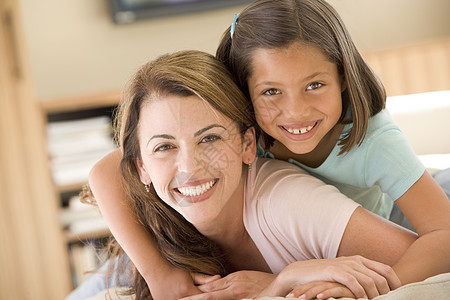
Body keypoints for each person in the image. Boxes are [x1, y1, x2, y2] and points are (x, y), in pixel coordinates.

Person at [70, 0, 450, 299]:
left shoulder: (373, 144)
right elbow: (106, 172)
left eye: (315, 85)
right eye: (271, 91)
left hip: (383, 210)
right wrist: (159, 275)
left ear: (344, 79)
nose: (295, 111)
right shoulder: (250, 120)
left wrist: (374, 283)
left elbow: (442, 235)